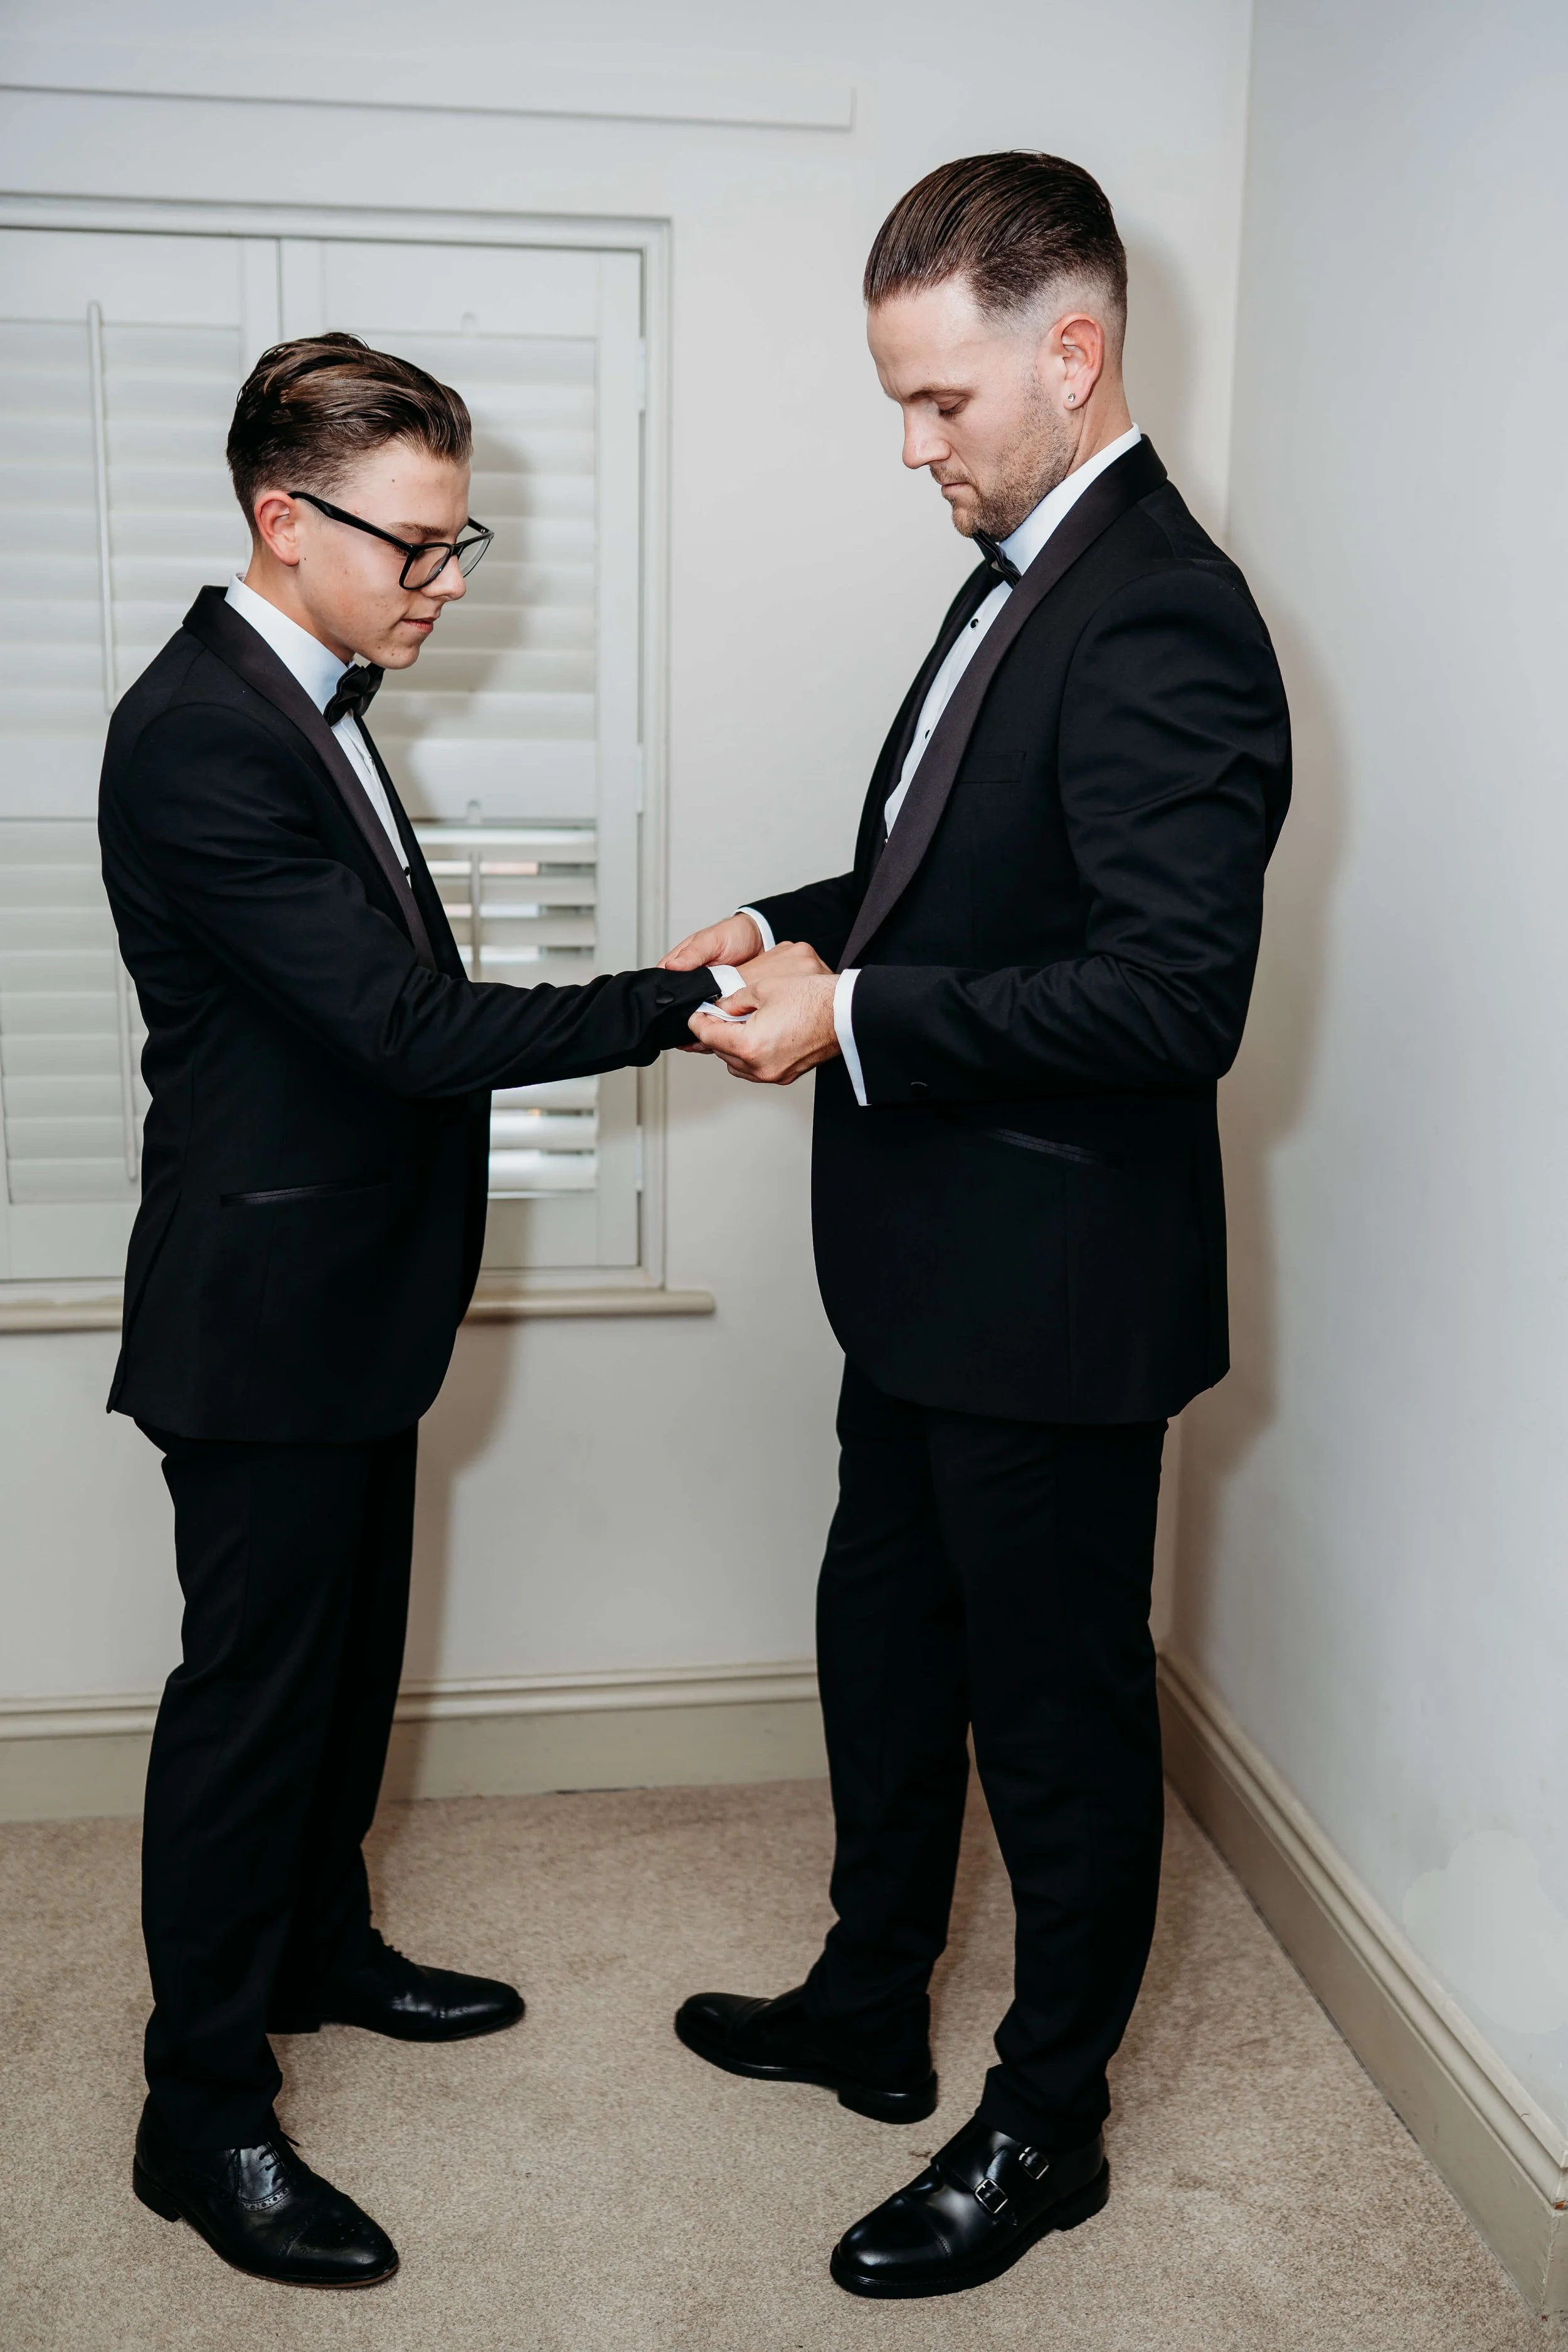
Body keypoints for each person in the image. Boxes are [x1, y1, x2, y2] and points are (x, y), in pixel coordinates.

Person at [663, 153, 1291, 2300]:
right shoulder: (1006, 565)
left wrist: (858, 1016)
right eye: (895, 403)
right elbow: (952, 879)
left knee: (1052, 1715)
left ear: (1073, 350)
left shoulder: (1167, 614)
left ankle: (1047, 2125)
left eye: (939, 401)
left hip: (1055, 1297)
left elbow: (1166, 998)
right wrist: (790, 923)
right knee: (883, 1645)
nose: (911, 445)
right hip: (923, 1279)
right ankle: (866, 1992)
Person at [100, 334, 754, 2288]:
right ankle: (195, 2109)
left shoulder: (314, 687)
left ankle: (321, 1945)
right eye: (420, 546)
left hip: (349, 1301)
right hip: (264, 1315)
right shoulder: (202, 731)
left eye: (461, 544)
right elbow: (398, 1030)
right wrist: (666, 997)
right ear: (277, 520)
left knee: (342, 1665)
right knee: (250, 1708)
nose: (444, 584)